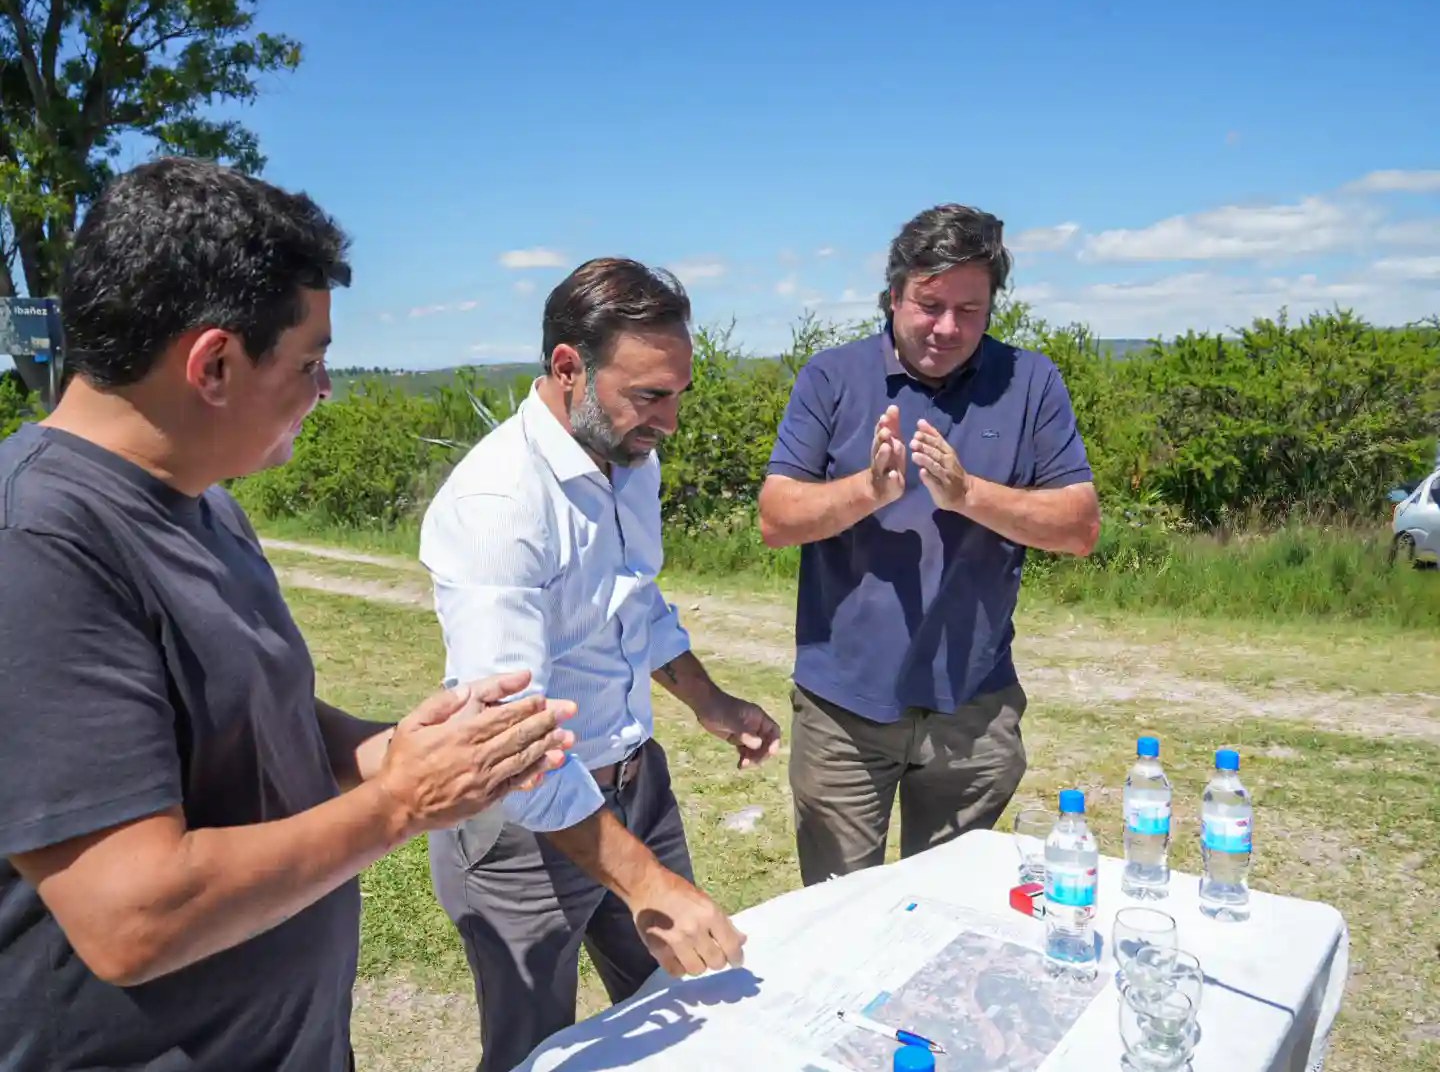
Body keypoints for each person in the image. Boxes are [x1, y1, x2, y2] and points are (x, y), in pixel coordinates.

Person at [0, 157, 578, 1072]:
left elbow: (243, 713)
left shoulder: (205, 501)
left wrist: (390, 750)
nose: (325, 389)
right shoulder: (39, 542)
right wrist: (402, 803)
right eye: (311, 362)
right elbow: (131, 917)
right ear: (214, 364)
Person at [419, 256, 784, 1071]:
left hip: (635, 788)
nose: (671, 422)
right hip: (521, 830)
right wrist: (648, 884)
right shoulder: (499, 506)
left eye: (679, 394)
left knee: (691, 1016)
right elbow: (508, 744)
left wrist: (708, 700)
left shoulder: (627, 458)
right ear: (567, 368)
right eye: (650, 395)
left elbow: (633, 601)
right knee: (535, 1053)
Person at [757, 203, 1101, 888]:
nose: (947, 328)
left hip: (974, 709)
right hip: (844, 712)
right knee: (841, 911)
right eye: (929, 304)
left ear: (993, 306)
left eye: (969, 310)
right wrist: (869, 491)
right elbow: (776, 518)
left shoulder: (1032, 382)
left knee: (949, 911)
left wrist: (968, 494)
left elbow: (1079, 526)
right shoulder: (831, 377)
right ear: (894, 296)